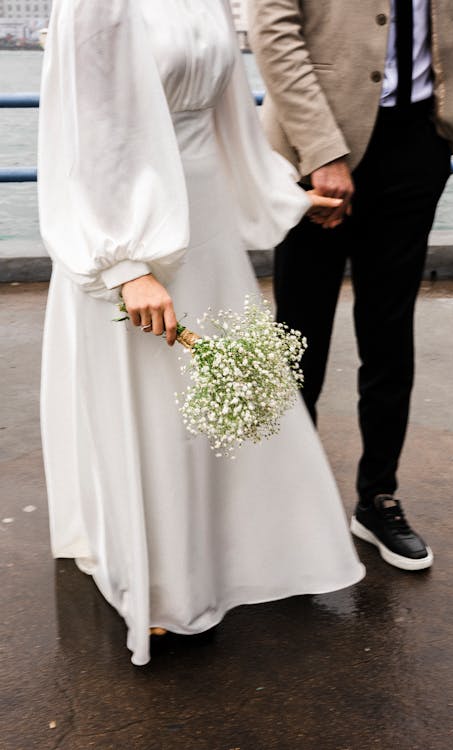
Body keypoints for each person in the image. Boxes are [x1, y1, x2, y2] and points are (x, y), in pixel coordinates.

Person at [38, 0, 365, 666]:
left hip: (205, 219)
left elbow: (230, 118)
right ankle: (164, 585)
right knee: (160, 414)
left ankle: (228, 557)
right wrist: (124, 264)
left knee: (224, 405)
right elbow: (87, 133)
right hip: (135, 223)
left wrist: (282, 193)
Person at [249, 0, 453, 572]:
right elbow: (273, 30)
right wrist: (323, 150)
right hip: (316, 148)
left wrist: (444, 114)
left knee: (390, 332)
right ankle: (283, 505)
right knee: (299, 335)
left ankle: (378, 499)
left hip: (416, 145)